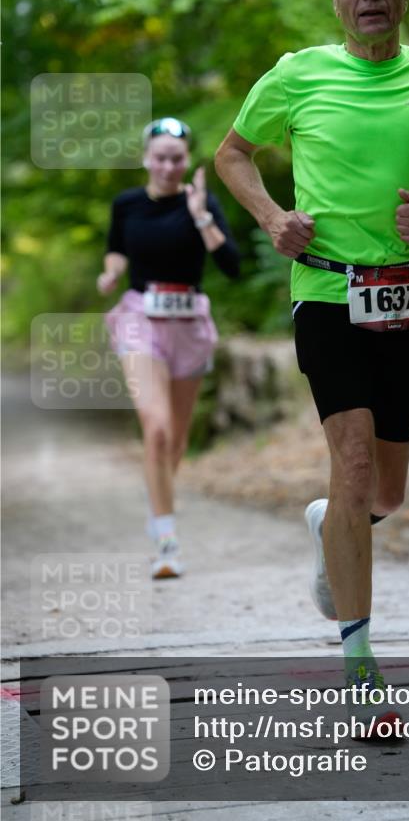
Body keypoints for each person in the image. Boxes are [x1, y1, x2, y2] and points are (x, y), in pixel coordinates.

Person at [215, 0, 409, 737]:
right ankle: (362, 676)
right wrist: (269, 217)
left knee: (384, 493)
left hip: (405, 298)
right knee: (355, 463)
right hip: (326, 293)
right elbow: (230, 155)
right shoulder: (296, 77)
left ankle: (329, 527)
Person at [98, 117, 240, 579]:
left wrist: (200, 215)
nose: (167, 166)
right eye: (159, 157)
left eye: (176, 158)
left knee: (176, 439)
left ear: (186, 161)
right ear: (146, 158)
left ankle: (158, 502)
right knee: (156, 429)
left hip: (189, 323)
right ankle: (166, 541)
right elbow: (117, 247)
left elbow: (231, 265)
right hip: (140, 317)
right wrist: (111, 272)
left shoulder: (202, 202)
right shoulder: (127, 204)